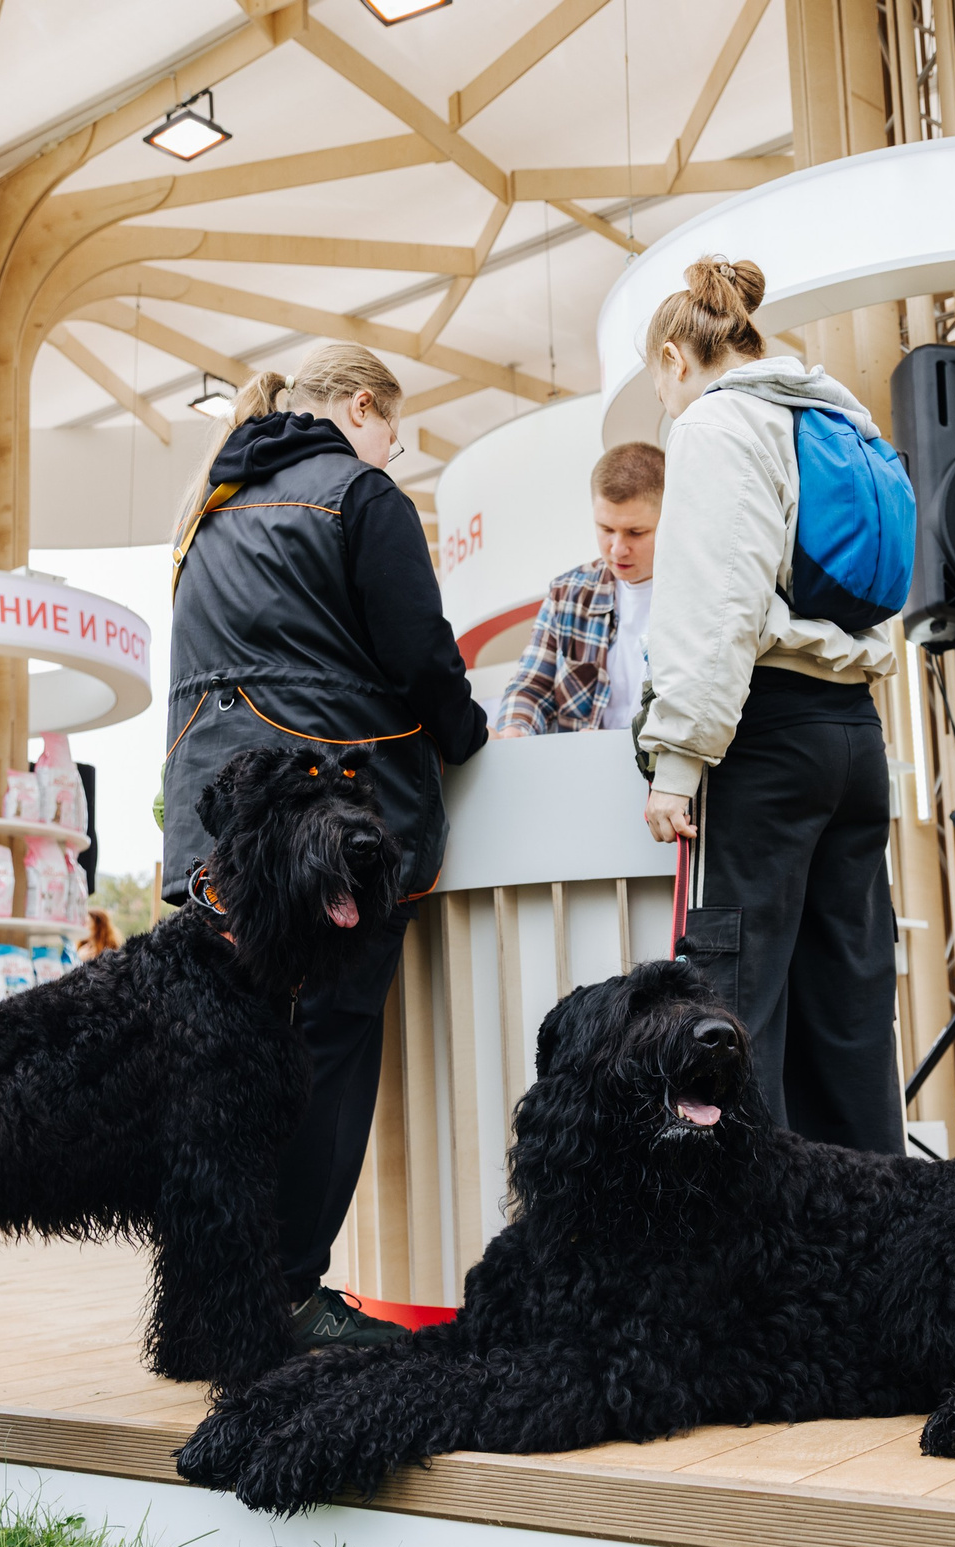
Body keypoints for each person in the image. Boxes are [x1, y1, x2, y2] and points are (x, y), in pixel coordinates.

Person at [159, 342, 489, 1343]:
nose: (394, 447)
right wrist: (466, 735)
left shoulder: (209, 512)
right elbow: (419, 654)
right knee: (326, 1050)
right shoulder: (359, 493)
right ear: (361, 406)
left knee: (238, 1065)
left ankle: (211, 1298)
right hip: (330, 817)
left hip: (229, 828)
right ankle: (286, 1299)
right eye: (396, 427)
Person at [633, 256, 902, 1155]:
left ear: (675, 358)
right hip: (856, 736)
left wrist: (677, 761)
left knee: (726, 1011)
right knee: (850, 1011)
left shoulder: (718, 424)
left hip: (766, 740)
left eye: (656, 384)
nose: (662, 404)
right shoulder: (840, 422)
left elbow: (717, 610)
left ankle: (744, 1267)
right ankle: (870, 1251)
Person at [494, 443, 665, 736]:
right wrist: (516, 728)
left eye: (636, 532)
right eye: (606, 529)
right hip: (584, 773)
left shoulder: (700, 594)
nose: (618, 548)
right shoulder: (567, 594)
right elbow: (531, 686)